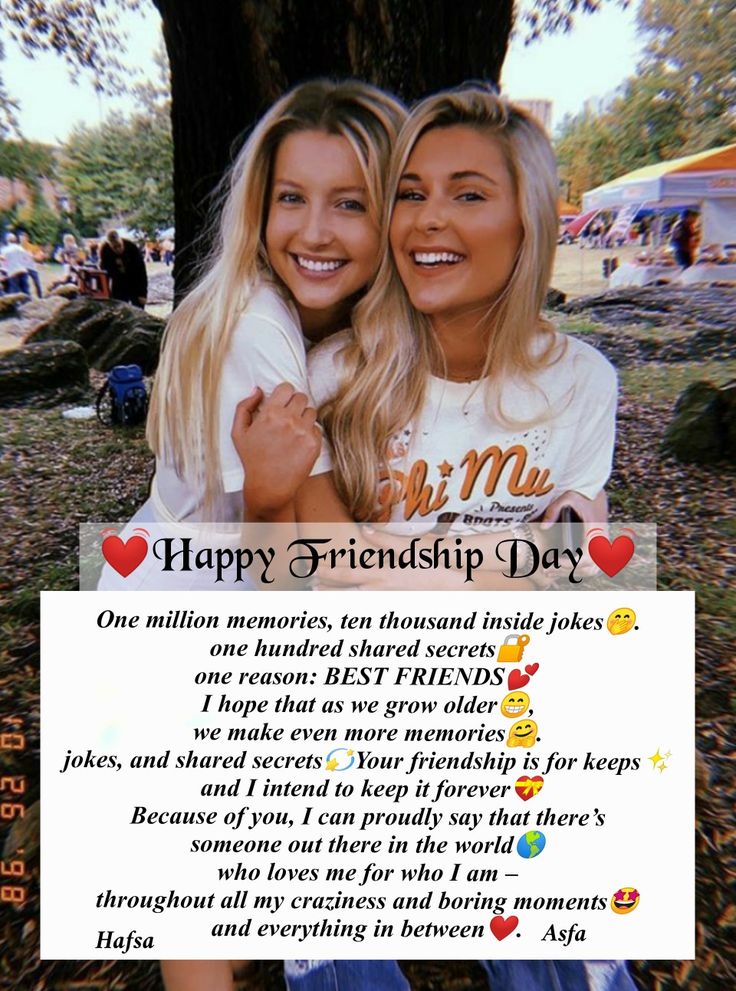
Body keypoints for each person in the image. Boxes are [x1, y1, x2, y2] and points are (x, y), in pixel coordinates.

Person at [234, 84, 632, 991]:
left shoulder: (580, 381)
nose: (428, 219)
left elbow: (579, 570)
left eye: (468, 192)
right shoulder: (337, 373)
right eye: (409, 192)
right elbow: (303, 582)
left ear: (528, 221)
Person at [93, 78, 406, 991]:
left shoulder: (337, 334)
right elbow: (315, 557)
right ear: (257, 210)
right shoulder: (253, 328)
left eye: (350, 203)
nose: (315, 230)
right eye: (292, 199)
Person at [99, 229, 149, 306]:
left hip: (134, 281)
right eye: (114, 247)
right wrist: (106, 293)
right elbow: (105, 274)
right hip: (118, 284)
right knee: (119, 310)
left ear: (121, 241)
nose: (118, 249)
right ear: (109, 245)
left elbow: (141, 272)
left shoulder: (131, 247)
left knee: (138, 308)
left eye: (119, 246)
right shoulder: (105, 250)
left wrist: (143, 294)